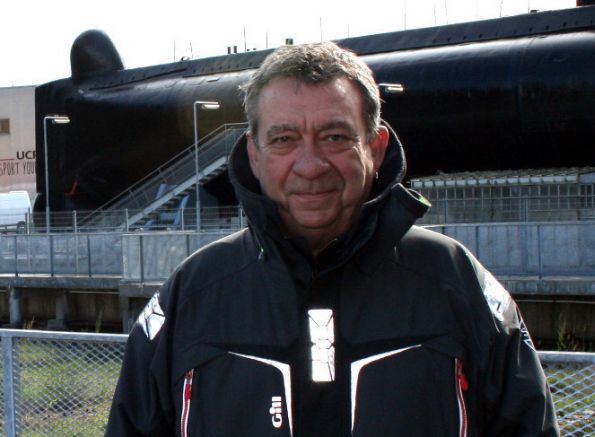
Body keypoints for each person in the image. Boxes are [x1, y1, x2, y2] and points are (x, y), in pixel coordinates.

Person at [105, 41, 559, 436]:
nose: (310, 164)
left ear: (376, 149)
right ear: (254, 155)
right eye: (284, 139)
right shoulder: (193, 295)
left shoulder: (455, 282)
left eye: (335, 136)